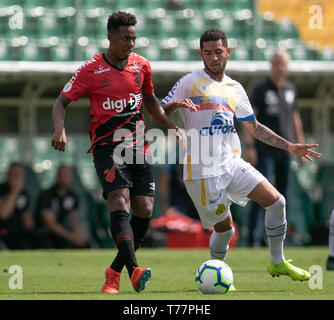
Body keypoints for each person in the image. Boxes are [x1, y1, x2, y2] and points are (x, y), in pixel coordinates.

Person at [161, 28, 321, 282]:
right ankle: (211, 274)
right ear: (201, 54)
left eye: (218, 52)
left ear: (228, 52)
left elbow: (254, 127)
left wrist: (289, 146)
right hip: (203, 171)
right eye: (207, 53)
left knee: (277, 202)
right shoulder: (188, 82)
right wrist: (173, 106)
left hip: (232, 163)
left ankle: (277, 262)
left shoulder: (234, 88)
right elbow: (155, 112)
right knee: (225, 230)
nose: (213, 58)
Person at [51, 11, 190, 293]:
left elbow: (150, 99)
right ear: (110, 37)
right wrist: (59, 128)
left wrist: (170, 124)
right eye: (125, 38)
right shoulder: (90, 69)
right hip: (107, 148)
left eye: (134, 38)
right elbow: (60, 102)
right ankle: (134, 270)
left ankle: (114, 271)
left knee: (145, 209)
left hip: (139, 146)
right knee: (119, 201)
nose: (130, 43)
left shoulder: (141, 66)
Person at [244, 51, 306, 247]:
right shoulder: (261, 89)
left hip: (285, 152)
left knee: (283, 195)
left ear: (287, 66)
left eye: (283, 64)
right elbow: (249, 120)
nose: (280, 67)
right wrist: (250, 146)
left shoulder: (290, 89)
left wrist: (300, 144)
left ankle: (279, 238)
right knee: (260, 193)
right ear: (271, 65)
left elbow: (295, 119)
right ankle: (253, 238)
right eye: (276, 63)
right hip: (264, 151)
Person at [35, 164, 90, 249]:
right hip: (45, 234)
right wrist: (71, 237)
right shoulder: (47, 195)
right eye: (63, 174)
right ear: (57, 176)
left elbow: (74, 219)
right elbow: (50, 223)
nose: (65, 178)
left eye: (68, 175)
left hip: (62, 233)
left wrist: (78, 235)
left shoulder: (72, 196)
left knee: (85, 245)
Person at [0, 163, 35, 249]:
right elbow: (3, 214)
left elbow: (27, 219)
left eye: (20, 176)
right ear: (8, 175)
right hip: (3, 232)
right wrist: (15, 191)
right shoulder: (1, 190)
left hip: (18, 234)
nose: (18, 179)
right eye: (15, 175)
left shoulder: (24, 193)